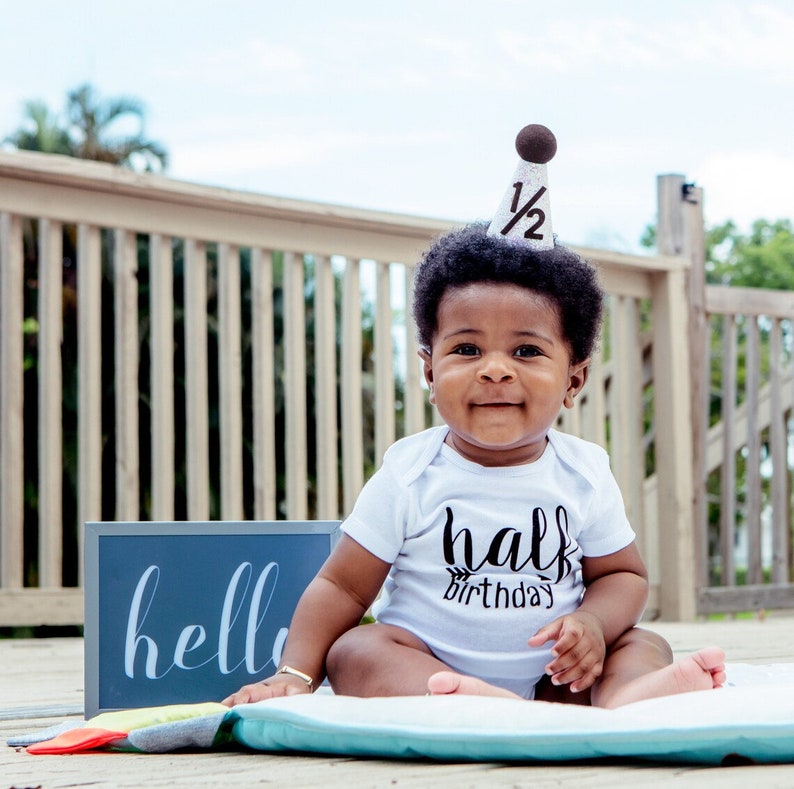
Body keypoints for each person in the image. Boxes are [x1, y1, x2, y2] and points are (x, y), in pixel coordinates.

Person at [223, 224, 725, 708]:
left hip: (559, 676)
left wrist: (593, 623)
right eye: (467, 349)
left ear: (574, 380)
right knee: (355, 652)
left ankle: (626, 696)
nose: (495, 368)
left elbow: (623, 576)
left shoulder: (584, 473)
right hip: (430, 666)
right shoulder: (410, 473)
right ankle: (468, 700)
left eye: (526, 351)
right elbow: (343, 586)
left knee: (642, 642)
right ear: (430, 372)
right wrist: (295, 673)